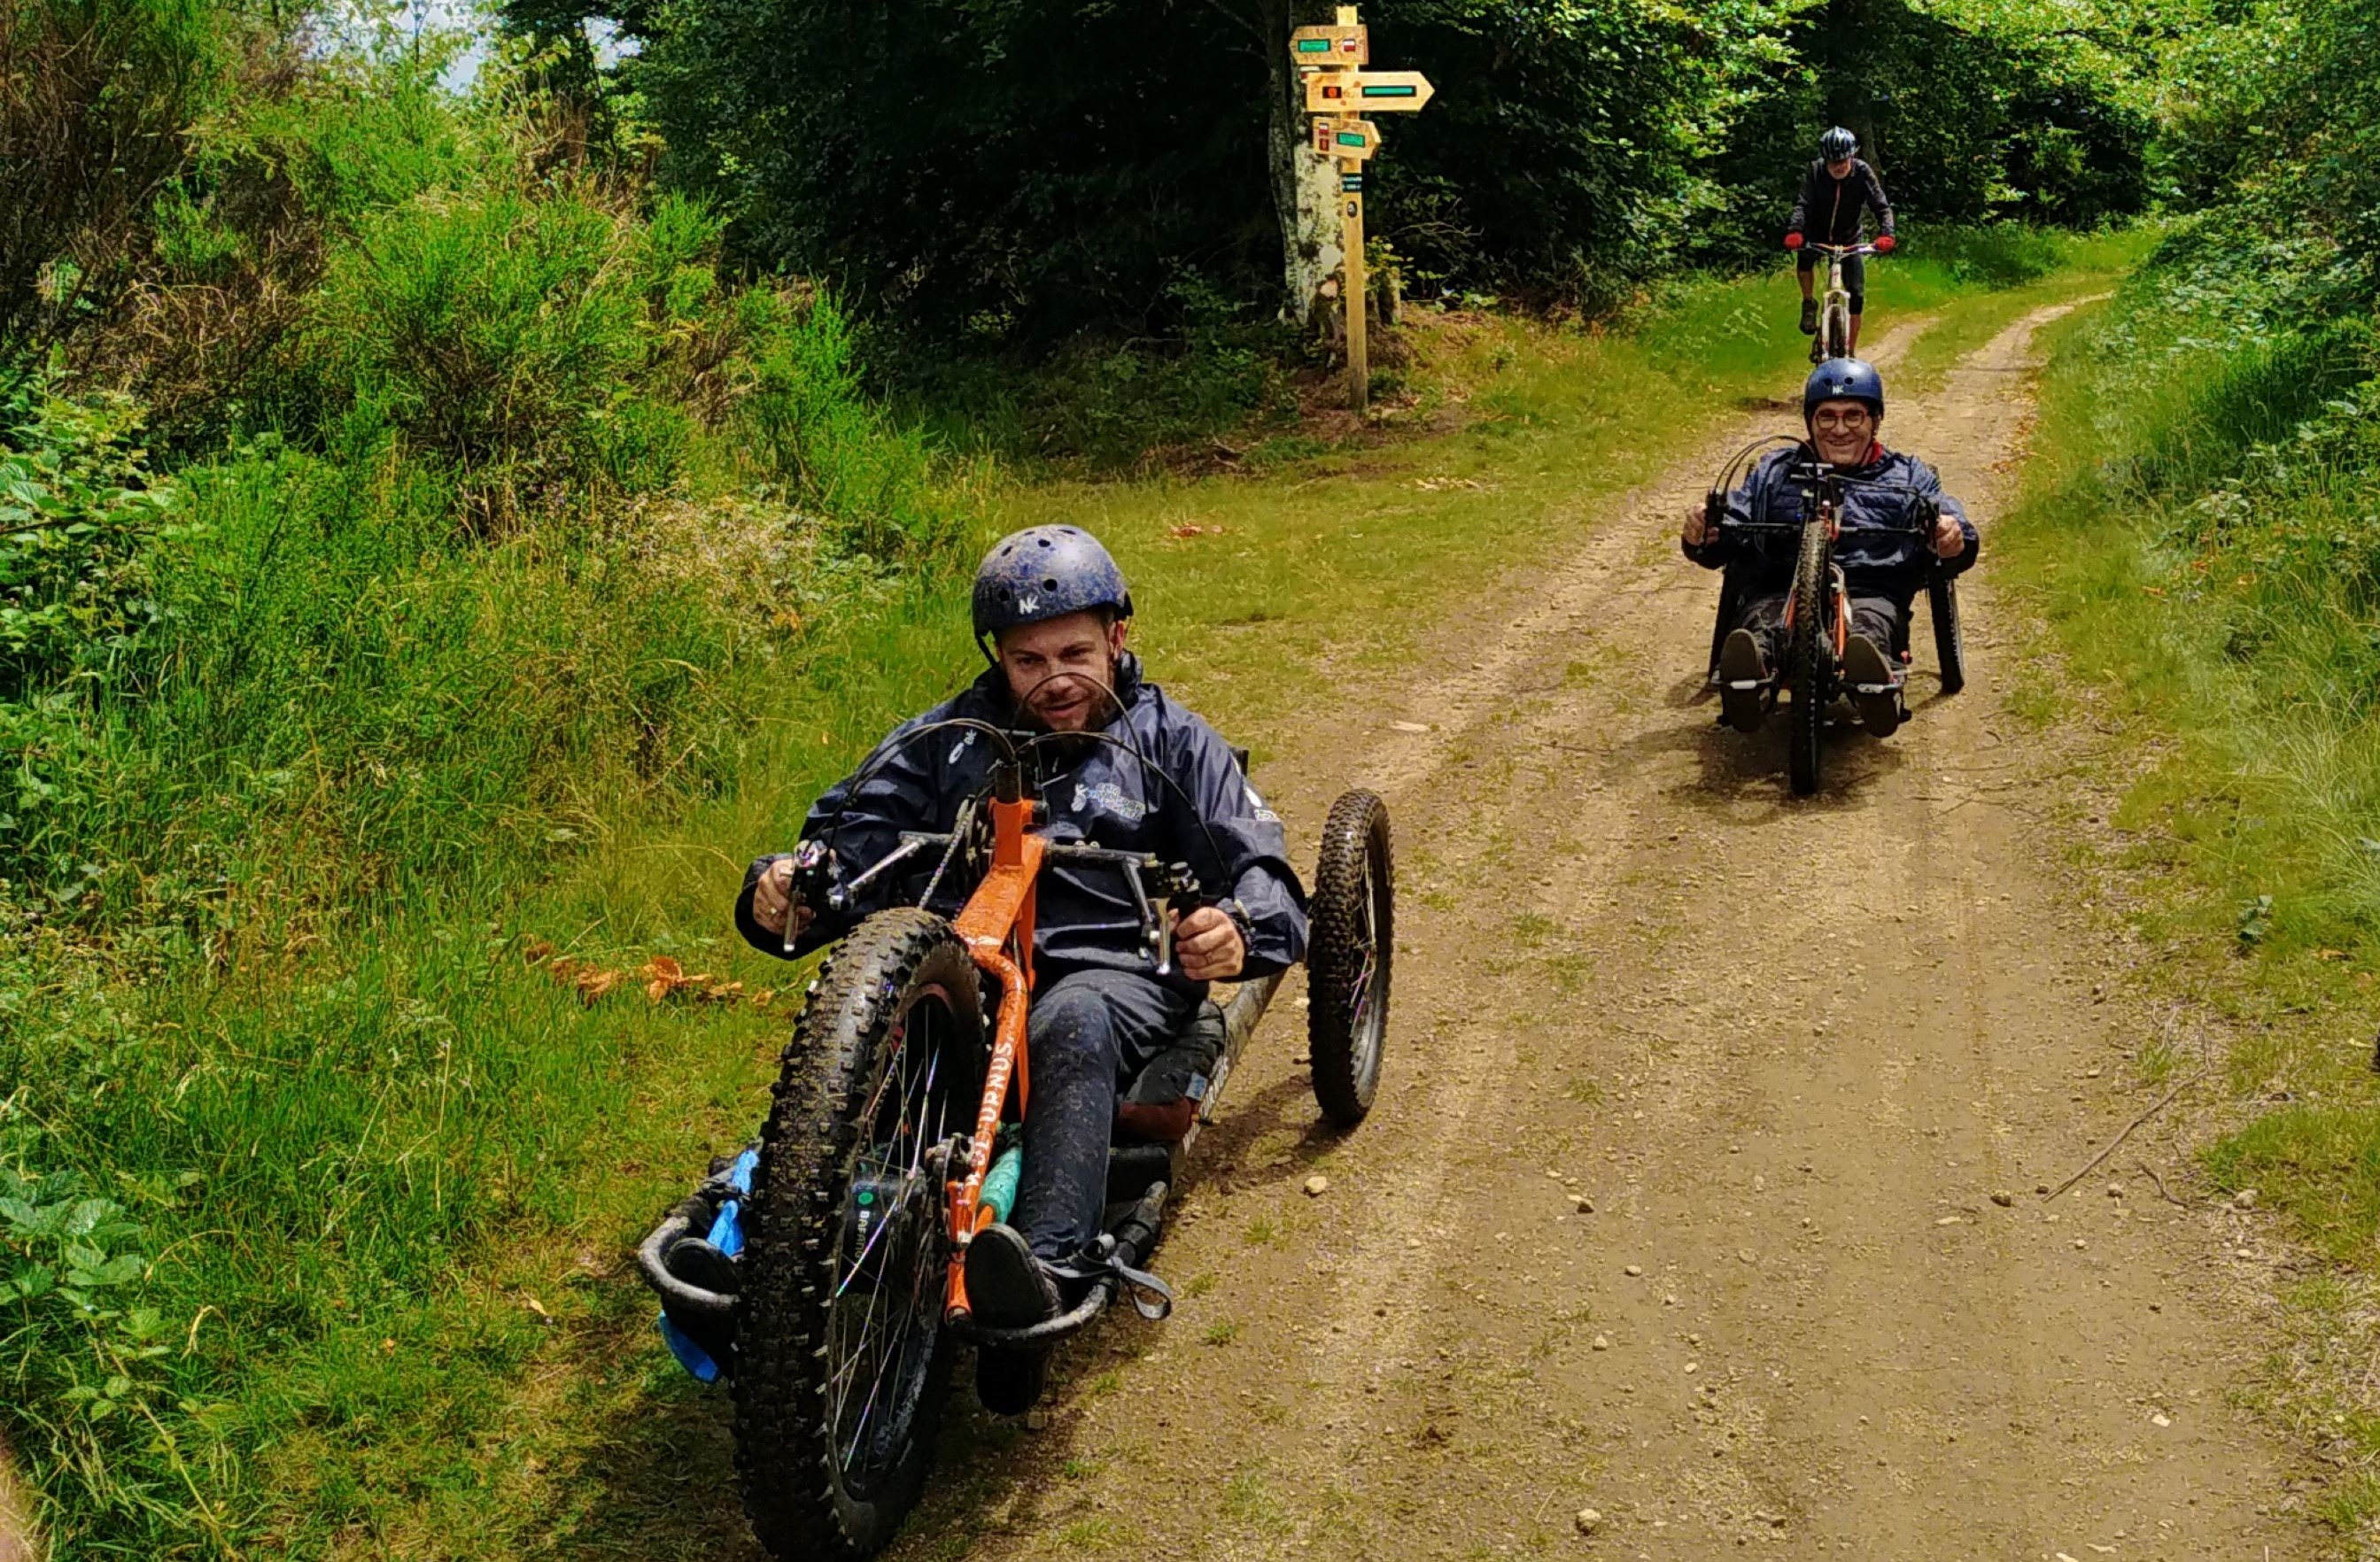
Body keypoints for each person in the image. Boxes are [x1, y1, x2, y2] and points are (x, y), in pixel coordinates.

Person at [734, 524, 1306, 1405]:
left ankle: (1041, 1269)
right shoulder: (945, 742)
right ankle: (749, 1243)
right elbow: (841, 847)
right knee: (864, 1034)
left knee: (1067, 1021)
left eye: (1075, 651)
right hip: (968, 969)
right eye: (1027, 660)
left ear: (1118, 634)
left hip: (1119, 963)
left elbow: (1264, 877)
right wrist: (783, 888)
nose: (1055, 679)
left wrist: (1234, 930)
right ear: (997, 659)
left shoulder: (1171, 742)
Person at [1679, 358, 1976, 737]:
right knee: (1761, 627)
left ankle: (1873, 680)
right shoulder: (1774, 471)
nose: (1840, 429)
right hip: (1779, 588)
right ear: (1809, 422)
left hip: (1872, 590)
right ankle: (1749, 677)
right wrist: (1703, 531)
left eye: (1854, 416)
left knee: (1868, 631)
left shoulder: (1908, 476)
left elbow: (1952, 523)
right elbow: (1730, 525)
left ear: (1875, 421)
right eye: (1826, 417)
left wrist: (1951, 535)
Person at [1786, 126, 1896, 356]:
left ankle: (1850, 353)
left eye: (1843, 161)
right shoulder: (1815, 172)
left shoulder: (1863, 172)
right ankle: (1808, 302)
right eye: (1833, 161)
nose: (1838, 166)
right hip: (1816, 235)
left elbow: (1882, 207)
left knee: (1856, 295)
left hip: (1849, 238)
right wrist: (1795, 230)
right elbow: (1803, 204)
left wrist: (1887, 234)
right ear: (1825, 160)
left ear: (1852, 156)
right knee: (1805, 259)